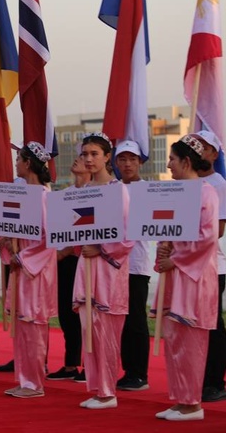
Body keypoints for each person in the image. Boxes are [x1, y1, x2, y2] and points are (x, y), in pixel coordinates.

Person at [153, 135, 221, 421]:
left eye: (172, 159)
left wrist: (176, 259)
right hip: (174, 275)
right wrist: (163, 246)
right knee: (174, 338)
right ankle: (181, 398)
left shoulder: (206, 193)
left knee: (191, 340)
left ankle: (193, 403)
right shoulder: (175, 192)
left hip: (194, 278)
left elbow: (208, 237)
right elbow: (162, 226)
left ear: (187, 161)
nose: (168, 164)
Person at [72, 132, 133, 409]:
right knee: (90, 327)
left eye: (94, 154)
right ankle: (97, 387)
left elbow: (128, 234)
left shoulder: (118, 190)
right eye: (85, 154)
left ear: (107, 157)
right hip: (85, 267)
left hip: (109, 270)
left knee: (107, 330)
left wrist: (101, 249)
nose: (89, 159)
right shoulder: (83, 191)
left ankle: (108, 392)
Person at [2, 142, 57, 399]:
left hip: (36, 270)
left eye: (19, 159)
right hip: (21, 265)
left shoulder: (45, 197)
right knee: (22, 323)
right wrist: (7, 243)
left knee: (34, 323)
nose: (16, 163)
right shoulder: (21, 195)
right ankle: (25, 379)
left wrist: (23, 257)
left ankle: (35, 382)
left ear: (28, 163)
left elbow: (48, 238)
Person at [47, 152, 89, 382]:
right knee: (66, 312)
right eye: (80, 155)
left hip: (81, 259)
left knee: (83, 312)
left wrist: (66, 251)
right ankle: (71, 363)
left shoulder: (95, 193)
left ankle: (88, 365)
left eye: (85, 156)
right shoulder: (63, 195)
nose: (78, 159)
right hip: (62, 261)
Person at [113, 140, 150, 392]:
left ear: (140, 162)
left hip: (136, 264)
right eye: (123, 159)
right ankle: (127, 370)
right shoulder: (111, 190)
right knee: (120, 319)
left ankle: (139, 373)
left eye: (132, 159)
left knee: (136, 319)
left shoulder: (149, 190)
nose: (127, 164)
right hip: (113, 264)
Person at [193, 130, 226, 403]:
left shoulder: (219, 184)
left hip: (214, 265)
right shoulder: (185, 183)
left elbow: (219, 229)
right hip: (186, 265)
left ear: (214, 154)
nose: (199, 150)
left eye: (204, 147)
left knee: (213, 324)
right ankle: (196, 379)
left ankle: (215, 381)